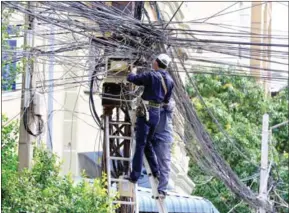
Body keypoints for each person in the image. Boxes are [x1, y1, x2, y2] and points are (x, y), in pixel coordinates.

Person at [126, 54, 174, 183]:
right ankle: (156, 170)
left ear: (157, 63)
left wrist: (130, 70)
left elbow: (133, 79)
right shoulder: (170, 81)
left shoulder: (151, 75)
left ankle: (134, 176)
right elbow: (166, 100)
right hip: (156, 114)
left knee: (140, 145)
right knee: (147, 143)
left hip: (145, 112)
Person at [146, 99, 175, 197]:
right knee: (147, 151)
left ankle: (162, 189)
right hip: (152, 134)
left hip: (163, 137)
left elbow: (168, 106)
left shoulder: (169, 101)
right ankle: (155, 172)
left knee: (164, 163)